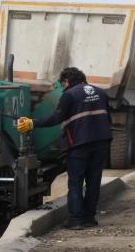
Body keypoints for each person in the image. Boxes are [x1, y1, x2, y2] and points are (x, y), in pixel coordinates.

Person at [17, 67, 112, 229]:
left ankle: (76, 219)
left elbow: (57, 117)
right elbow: (107, 118)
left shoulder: (69, 94)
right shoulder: (100, 92)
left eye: (62, 84)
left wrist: (32, 123)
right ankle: (89, 218)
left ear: (66, 81)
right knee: (94, 182)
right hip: (102, 142)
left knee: (75, 182)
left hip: (80, 144)